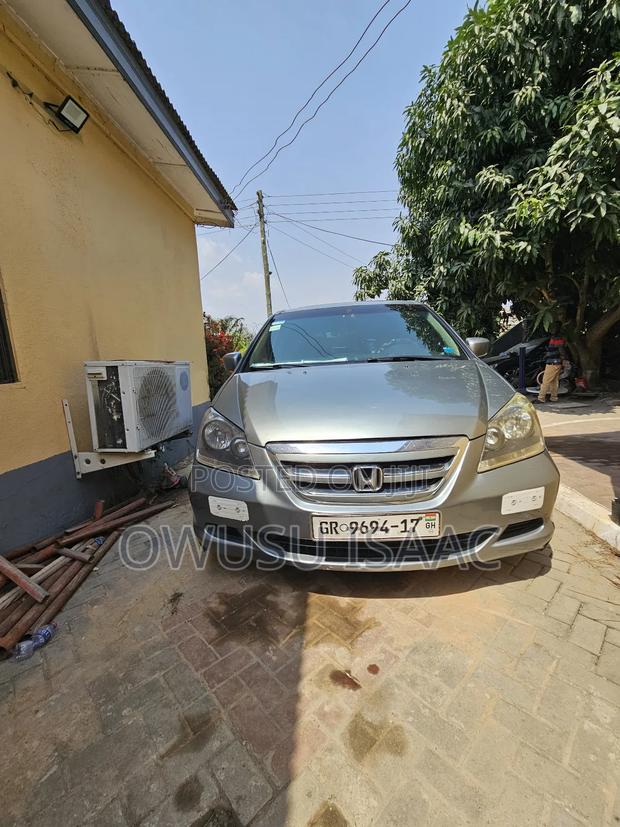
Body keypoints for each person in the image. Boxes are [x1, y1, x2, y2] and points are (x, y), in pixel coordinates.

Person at [536, 330, 568, 403]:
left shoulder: (556, 339)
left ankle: (541, 398)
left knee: (546, 381)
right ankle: (554, 398)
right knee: (554, 381)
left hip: (553, 363)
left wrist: (563, 358)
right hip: (556, 363)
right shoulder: (557, 339)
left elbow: (561, 350)